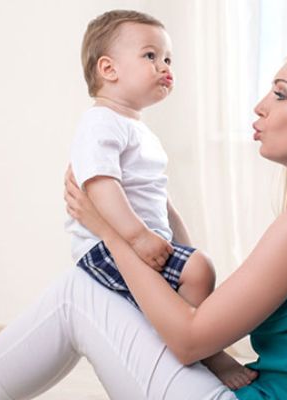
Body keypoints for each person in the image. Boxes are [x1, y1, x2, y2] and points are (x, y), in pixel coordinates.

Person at [0, 44, 287, 400]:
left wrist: (107, 231)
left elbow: (189, 339)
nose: (260, 105)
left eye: (281, 93)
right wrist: (161, 216)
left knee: (77, 293)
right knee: (88, 292)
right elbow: (214, 314)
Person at [66, 10, 255, 388]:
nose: (164, 66)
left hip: (139, 240)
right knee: (199, 270)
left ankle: (195, 341)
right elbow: (100, 185)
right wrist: (137, 237)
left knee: (199, 266)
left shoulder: (138, 130)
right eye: (150, 56)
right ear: (109, 69)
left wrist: (182, 245)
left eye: (168, 58)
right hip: (105, 245)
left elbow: (160, 202)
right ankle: (204, 350)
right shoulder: (100, 122)